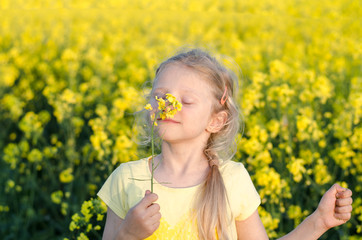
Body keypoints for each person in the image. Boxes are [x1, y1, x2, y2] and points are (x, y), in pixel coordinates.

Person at [97, 49, 353, 240]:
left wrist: (319, 221)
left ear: (216, 121)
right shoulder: (126, 178)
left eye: (185, 101)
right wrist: (127, 235)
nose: (167, 106)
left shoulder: (233, 180)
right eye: (160, 97)